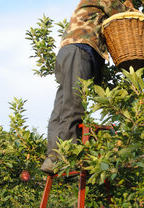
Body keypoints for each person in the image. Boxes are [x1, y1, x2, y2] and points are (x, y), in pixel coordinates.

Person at [40, 0, 134, 174]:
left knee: (61, 106)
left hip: (67, 51)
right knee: (73, 103)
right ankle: (66, 157)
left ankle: (53, 157)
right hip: (79, 49)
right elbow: (125, 14)